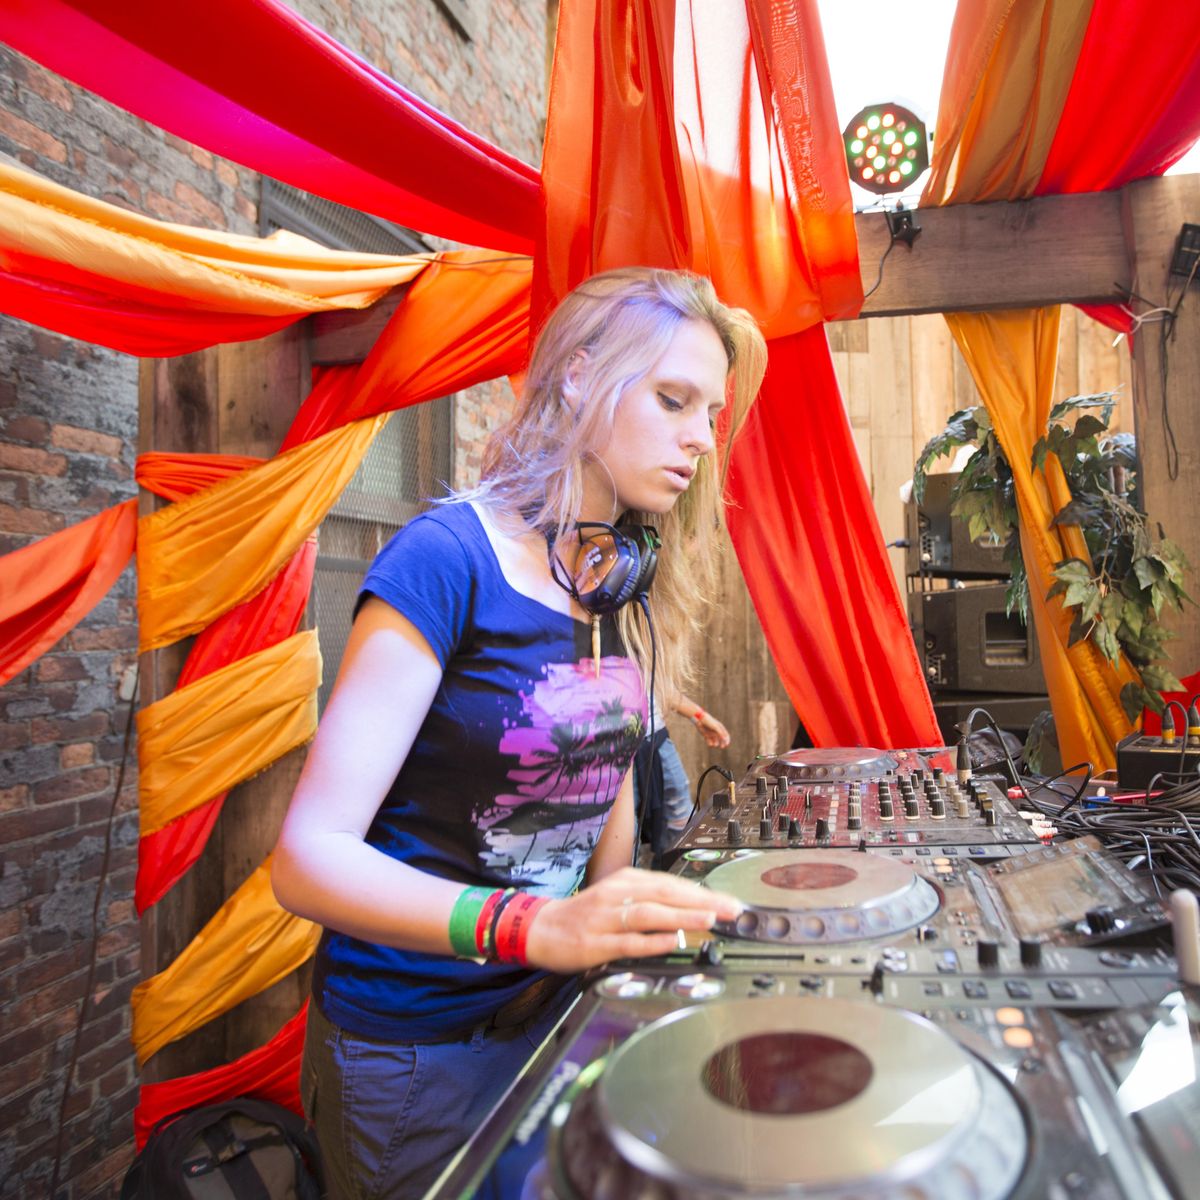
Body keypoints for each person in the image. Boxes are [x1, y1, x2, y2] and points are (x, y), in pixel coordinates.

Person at [271, 266, 767, 1198]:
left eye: (711, 414)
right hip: (415, 1053)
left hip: (552, 1017)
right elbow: (306, 860)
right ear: (577, 377)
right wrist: (536, 925)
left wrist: (630, 920)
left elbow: (606, 808)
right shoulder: (445, 561)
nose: (703, 439)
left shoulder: (620, 584)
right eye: (673, 400)